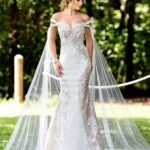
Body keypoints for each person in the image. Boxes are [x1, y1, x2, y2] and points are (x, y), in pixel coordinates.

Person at [5, 0, 150, 150]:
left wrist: (88, 62)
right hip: (65, 65)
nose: (81, 2)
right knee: (67, 100)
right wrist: (55, 60)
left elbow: (89, 41)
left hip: (82, 64)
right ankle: (64, 141)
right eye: (78, 0)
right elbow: (51, 40)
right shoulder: (57, 17)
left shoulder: (85, 18)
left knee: (80, 100)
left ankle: (85, 143)